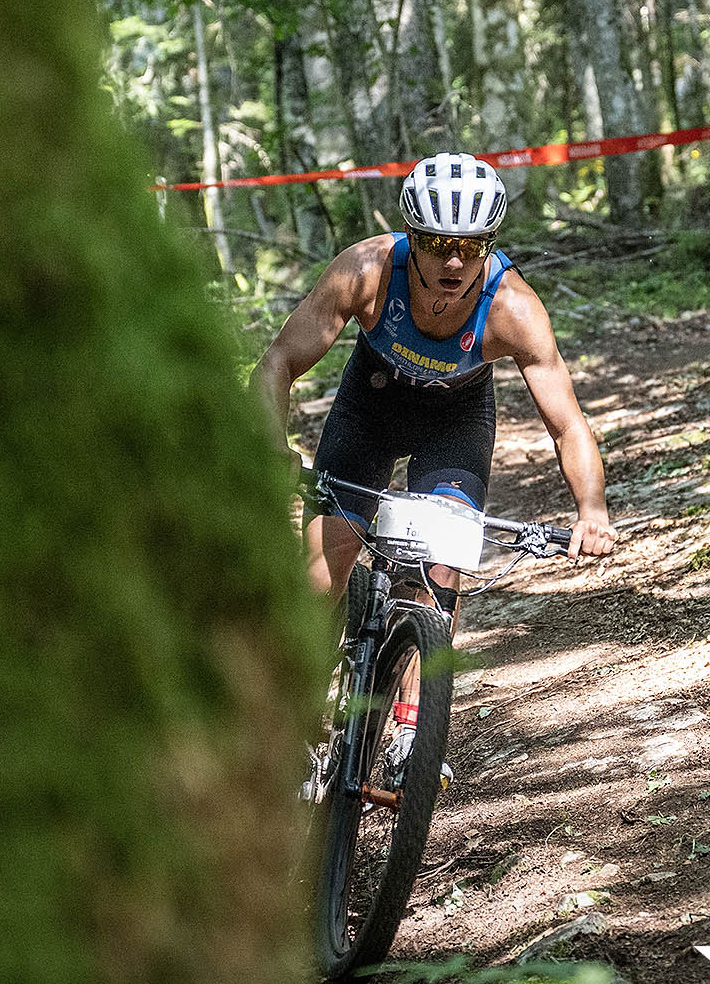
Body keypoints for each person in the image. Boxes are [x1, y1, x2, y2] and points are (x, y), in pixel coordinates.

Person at [252, 152, 617, 629]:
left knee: (437, 579)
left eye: (471, 247)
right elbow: (278, 362)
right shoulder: (366, 271)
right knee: (319, 580)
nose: (454, 261)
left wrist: (592, 510)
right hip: (369, 409)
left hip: (455, 423)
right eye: (438, 243)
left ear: (489, 243)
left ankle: (417, 672)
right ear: (411, 235)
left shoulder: (513, 308)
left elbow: (567, 425)